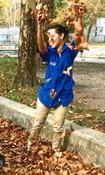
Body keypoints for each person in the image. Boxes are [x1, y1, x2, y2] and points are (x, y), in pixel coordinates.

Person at [27, 11, 85, 153]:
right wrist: (39, 26)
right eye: (49, 37)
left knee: (58, 127)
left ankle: (56, 150)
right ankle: (30, 145)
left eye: (52, 36)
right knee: (38, 123)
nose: (50, 40)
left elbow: (79, 35)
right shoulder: (49, 52)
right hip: (47, 93)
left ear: (61, 36)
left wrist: (79, 16)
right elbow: (41, 45)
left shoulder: (70, 51)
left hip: (63, 95)